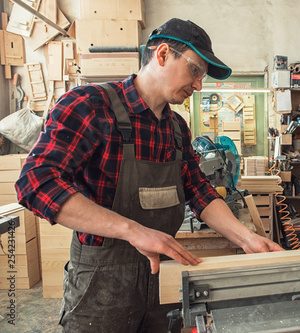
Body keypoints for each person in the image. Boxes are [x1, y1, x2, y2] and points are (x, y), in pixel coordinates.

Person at [16, 18, 283, 332]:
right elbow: (36, 181)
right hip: (101, 283)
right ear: (163, 54)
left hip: (162, 279)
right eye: (196, 70)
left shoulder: (176, 128)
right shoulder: (90, 105)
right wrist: (132, 230)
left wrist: (246, 238)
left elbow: (200, 192)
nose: (199, 85)